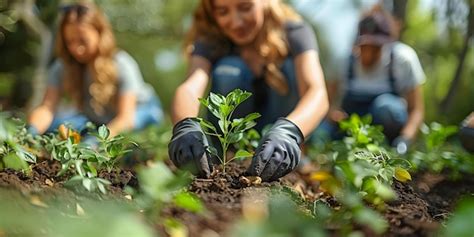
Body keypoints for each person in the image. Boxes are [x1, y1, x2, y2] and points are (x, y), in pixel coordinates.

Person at [168, 0, 329, 181]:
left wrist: (290, 132)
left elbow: (316, 92)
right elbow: (191, 86)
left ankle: (283, 153)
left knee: (291, 69)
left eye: (245, 7)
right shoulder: (212, 39)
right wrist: (185, 126)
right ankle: (231, 156)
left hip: (281, 132)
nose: (236, 22)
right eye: (223, 11)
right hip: (231, 139)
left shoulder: (294, 32)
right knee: (228, 70)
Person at [27, 1, 163, 139]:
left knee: (98, 142)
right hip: (102, 121)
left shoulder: (122, 64)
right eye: (70, 42)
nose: (76, 49)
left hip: (141, 112)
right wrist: (31, 131)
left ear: (100, 33)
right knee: (56, 128)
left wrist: (95, 145)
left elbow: (126, 119)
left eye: (83, 40)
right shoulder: (62, 67)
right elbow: (47, 108)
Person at [322, 6, 425, 154]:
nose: (368, 55)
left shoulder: (402, 59)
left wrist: (405, 141)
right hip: (351, 135)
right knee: (320, 131)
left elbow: (416, 110)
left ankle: (387, 151)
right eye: (364, 47)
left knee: (386, 108)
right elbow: (325, 102)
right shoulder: (343, 61)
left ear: (385, 44)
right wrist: (333, 114)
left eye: (375, 48)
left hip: (388, 132)